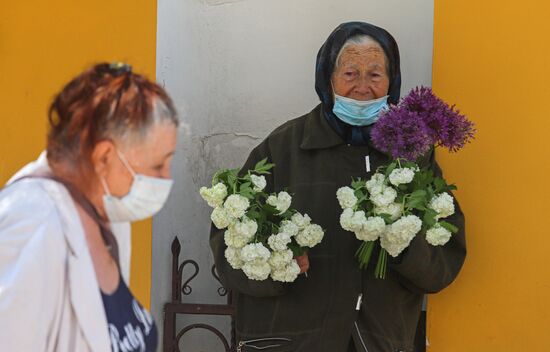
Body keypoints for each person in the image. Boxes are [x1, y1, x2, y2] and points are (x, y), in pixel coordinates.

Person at [210, 22, 466, 352]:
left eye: (375, 75)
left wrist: (403, 243)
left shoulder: (412, 156)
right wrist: (277, 260)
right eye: (349, 74)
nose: (362, 86)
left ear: (392, 81)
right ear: (327, 80)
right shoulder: (283, 148)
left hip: (379, 339)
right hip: (292, 340)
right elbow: (226, 238)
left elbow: (444, 258)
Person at [0, 62, 179, 351]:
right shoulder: (30, 225)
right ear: (105, 157)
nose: (166, 179)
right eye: (158, 164)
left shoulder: (108, 216)